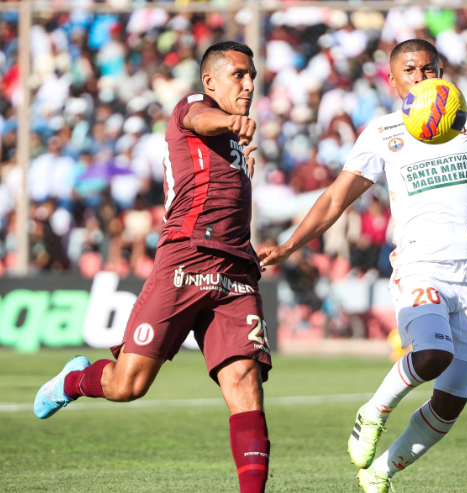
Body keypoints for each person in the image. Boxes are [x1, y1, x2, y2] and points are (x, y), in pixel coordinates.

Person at [259, 39, 467, 492]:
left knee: (450, 405)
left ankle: (380, 474)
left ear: (442, 71)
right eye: (410, 70)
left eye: (429, 68)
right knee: (432, 355)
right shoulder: (382, 133)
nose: (422, 76)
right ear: (393, 81)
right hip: (420, 266)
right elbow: (336, 197)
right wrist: (289, 245)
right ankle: (373, 411)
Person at [34, 41, 272, 493]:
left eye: (252, 75)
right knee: (128, 385)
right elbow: (200, 119)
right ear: (210, 81)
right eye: (239, 74)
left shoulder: (239, 142)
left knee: (245, 384)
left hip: (236, 269)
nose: (248, 83)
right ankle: (73, 381)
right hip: (186, 259)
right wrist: (230, 121)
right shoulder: (195, 108)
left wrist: (239, 141)